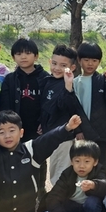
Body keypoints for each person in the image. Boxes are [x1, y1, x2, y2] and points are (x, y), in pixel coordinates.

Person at [65, 41, 106, 171]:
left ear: (99, 61)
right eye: (86, 60)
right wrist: (78, 130)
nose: (90, 64)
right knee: (83, 161)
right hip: (83, 130)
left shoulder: (102, 80)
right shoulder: (74, 82)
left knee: (101, 161)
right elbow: (72, 108)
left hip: (101, 131)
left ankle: (102, 183)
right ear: (79, 60)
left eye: (94, 60)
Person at [46, 140, 106, 212]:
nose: (81, 166)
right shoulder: (67, 174)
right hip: (72, 207)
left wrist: (94, 185)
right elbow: (52, 198)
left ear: (95, 162)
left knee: (92, 202)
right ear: (71, 161)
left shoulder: (99, 171)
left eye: (87, 161)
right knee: (56, 200)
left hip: (92, 210)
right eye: (77, 161)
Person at [40, 44, 79, 189]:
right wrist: (42, 123)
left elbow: (66, 106)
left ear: (72, 67)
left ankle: (60, 199)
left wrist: (68, 85)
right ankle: (57, 198)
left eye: (63, 65)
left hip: (63, 135)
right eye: (54, 63)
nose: (57, 68)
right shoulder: (47, 81)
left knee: (61, 170)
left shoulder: (70, 84)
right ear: (50, 62)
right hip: (49, 133)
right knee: (53, 168)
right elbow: (45, 106)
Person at [0, 38, 49, 142]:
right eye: (18, 54)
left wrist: (45, 121)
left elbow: (50, 103)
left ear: (36, 56)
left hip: (39, 128)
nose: (23, 57)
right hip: (16, 128)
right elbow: (5, 105)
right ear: (13, 57)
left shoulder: (46, 78)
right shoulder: (10, 79)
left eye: (28, 53)